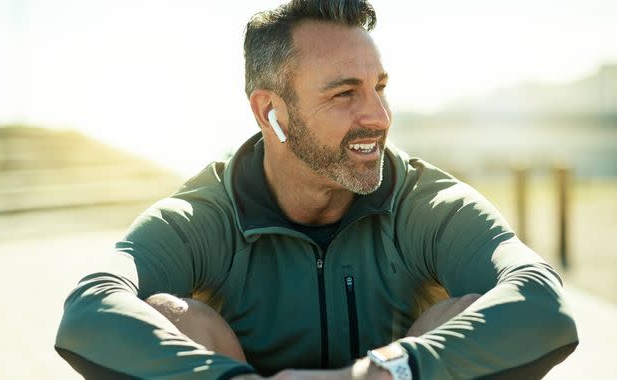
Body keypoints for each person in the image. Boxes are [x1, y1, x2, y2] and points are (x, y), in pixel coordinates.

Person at [55, 1, 578, 379]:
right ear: (270, 111)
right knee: (173, 316)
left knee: (468, 309)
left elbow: (542, 298)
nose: (378, 116)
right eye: (345, 94)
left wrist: (377, 375)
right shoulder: (206, 214)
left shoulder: (425, 201)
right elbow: (89, 308)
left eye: (379, 88)